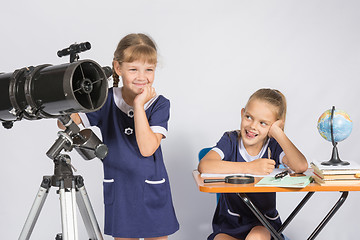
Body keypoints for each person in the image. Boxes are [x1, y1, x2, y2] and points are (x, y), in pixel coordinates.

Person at [62, 33, 179, 240]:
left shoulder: (160, 104)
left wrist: (138, 105)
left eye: (149, 70)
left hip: (151, 190)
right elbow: (64, 122)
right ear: (118, 68)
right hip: (120, 192)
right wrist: (77, 92)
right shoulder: (105, 99)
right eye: (133, 69)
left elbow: (147, 148)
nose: (142, 77)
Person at [198, 88, 308, 240]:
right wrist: (250, 167)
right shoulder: (230, 140)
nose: (253, 126)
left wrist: (278, 133)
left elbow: (301, 166)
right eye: (249, 117)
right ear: (242, 113)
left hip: (264, 225)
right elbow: (205, 165)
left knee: (257, 235)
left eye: (263, 123)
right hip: (230, 224)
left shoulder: (273, 146)